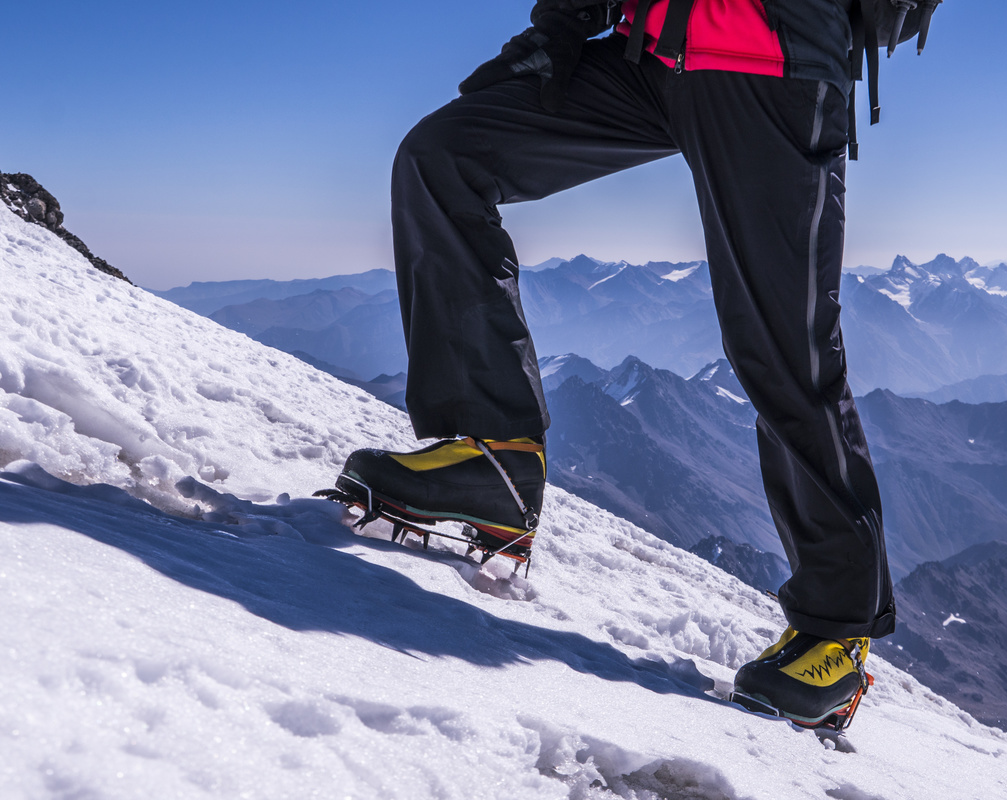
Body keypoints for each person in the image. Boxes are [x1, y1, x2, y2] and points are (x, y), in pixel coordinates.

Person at [337, 0, 896, 730]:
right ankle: (493, 460)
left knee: (782, 347)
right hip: (653, 55)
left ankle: (836, 634)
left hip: (774, 65)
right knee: (442, 155)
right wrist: (563, 27)